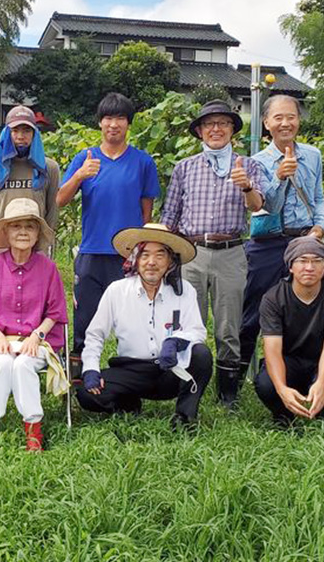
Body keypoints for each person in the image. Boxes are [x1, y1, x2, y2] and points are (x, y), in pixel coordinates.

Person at [160, 99, 265, 409]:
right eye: (209, 124)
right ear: (200, 131)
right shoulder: (185, 167)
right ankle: (189, 386)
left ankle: (227, 395)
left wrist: (246, 187)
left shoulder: (249, 166)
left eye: (223, 123)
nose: (216, 129)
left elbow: (257, 206)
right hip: (191, 253)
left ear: (233, 130)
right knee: (187, 322)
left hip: (231, 251)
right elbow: (170, 216)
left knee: (228, 326)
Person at [56, 92, 161, 363]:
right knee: (85, 319)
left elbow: (146, 212)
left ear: (129, 123)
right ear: (100, 123)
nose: (114, 124)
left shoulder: (142, 162)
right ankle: (79, 376)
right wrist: (79, 175)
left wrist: (142, 251)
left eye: (120, 118)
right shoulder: (85, 158)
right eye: (108, 118)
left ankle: (130, 372)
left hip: (127, 255)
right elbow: (59, 200)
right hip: (92, 251)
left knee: (133, 320)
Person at [76, 224, 212, 427]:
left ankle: (185, 417)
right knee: (86, 394)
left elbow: (197, 331)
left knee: (201, 354)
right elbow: (95, 335)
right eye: (145, 254)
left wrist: (177, 342)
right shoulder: (117, 291)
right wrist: (91, 370)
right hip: (132, 370)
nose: (151, 262)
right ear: (136, 260)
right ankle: (128, 404)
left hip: (170, 370)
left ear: (170, 261)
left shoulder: (185, 291)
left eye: (160, 255)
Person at [0, 199, 68, 451]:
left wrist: (36, 335)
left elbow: (55, 311)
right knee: (1, 361)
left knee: (23, 364)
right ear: (7, 232)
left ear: (37, 234)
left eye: (30, 227)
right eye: (16, 226)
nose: (23, 232)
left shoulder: (49, 268)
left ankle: (33, 429)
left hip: (39, 339)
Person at [240, 95, 324, 374]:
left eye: (291, 116)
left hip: (303, 242)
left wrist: (320, 226)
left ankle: (292, 374)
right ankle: (236, 379)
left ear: (299, 120)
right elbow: (268, 206)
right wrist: (278, 176)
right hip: (268, 243)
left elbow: (317, 197)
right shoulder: (257, 161)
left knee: (299, 310)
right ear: (266, 123)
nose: (285, 123)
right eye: (278, 118)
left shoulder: (313, 155)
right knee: (253, 311)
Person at [255, 237, 324, 425]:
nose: (309, 267)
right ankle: (283, 415)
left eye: (317, 261)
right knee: (266, 384)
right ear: (290, 266)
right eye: (302, 260)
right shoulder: (273, 298)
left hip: (321, 358)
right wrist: (281, 388)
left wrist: (322, 383)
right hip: (288, 359)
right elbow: (272, 348)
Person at [0, 105, 60, 256]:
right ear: (6, 133)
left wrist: (44, 246)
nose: (20, 136)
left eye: (26, 130)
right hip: (0, 250)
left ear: (35, 134)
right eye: (15, 131)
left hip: (35, 250)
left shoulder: (49, 168)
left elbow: (52, 213)